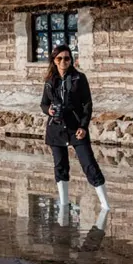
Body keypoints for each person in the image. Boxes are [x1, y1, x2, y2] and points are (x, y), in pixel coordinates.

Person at [40, 45, 110, 210]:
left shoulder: (80, 78)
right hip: (56, 129)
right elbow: (43, 103)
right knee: (60, 166)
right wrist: (48, 110)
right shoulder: (49, 80)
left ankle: (105, 205)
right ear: (54, 61)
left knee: (89, 164)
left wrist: (84, 126)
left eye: (67, 58)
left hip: (76, 128)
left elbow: (87, 105)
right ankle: (64, 204)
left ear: (71, 60)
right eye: (60, 59)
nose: (63, 61)